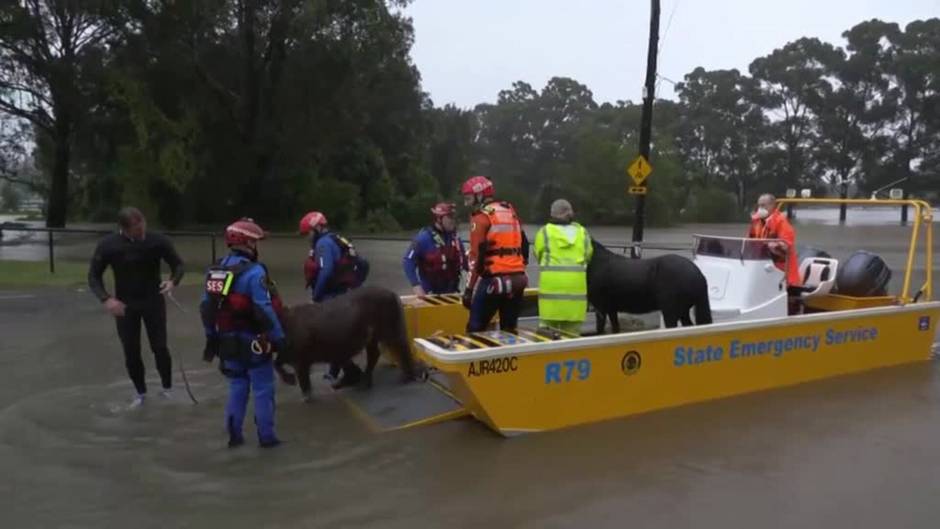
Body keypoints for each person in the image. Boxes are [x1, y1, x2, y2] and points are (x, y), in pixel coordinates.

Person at [200, 218, 288, 448]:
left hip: (226, 340)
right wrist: (279, 339)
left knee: (237, 387)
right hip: (254, 342)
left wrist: (211, 337)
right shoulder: (255, 272)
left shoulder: (214, 271)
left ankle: (234, 436)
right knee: (262, 389)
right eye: (255, 242)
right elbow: (264, 308)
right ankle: (267, 439)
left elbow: (206, 307)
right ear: (248, 243)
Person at [88, 207, 184, 407]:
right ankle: (141, 393)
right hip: (125, 304)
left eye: (143, 228)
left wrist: (172, 282)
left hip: (153, 301)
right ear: (124, 228)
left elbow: (178, 265)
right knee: (131, 350)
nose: (141, 233)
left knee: (160, 347)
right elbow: (93, 276)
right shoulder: (108, 245)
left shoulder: (158, 241)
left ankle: (167, 389)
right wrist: (106, 299)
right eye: (136, 231)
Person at [298, 211, 369, 387]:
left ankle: (350, 373)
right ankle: (334, 372)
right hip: (345, 293)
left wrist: (316, 296)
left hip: (333, 296)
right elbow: (363, 264)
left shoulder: (323, 244)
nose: (307, 237)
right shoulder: (337, 239)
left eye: (308, 233)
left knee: (330, 338)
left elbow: (326, 270)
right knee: (337, 336)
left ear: (317, 228)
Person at [460, 176, 529, 333]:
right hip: (518, 280)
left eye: (469, 198)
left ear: (479, 195)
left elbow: (475, 257)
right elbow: (524, 247)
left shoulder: (480, 217)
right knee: (509, 330)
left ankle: (477, 357)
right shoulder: (510, 210)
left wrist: (468, 291)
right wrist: (519, 267)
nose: (466, 203)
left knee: (475, 328)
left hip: (494, 279)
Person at [534, 199, 592, 336]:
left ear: (552, 214)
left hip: (550, 297)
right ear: (570, 213)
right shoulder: (582, 233)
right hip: (575, 299)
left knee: (546, 338)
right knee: (571, 339)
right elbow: (588, 255)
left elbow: (538, 254)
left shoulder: (544, 233)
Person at [402, 202, 467, 296]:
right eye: (450, 217)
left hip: (452, 294)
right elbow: (408, 261)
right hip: (430, 295)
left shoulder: (455, 238)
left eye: (454, 217)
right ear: (438, 218)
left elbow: (465, 262)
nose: (453, 220)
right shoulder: (423, 238)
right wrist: (416, 285)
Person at [746, 193, 801, 286]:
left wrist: (776, 245)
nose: (760, 208)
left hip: (782, 272)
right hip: (763, 267)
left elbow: (786, 245)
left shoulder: (781, 222)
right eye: (759, 205)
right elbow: (748, 240)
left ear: (773, 206)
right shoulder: (756, 221)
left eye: (763, 205)